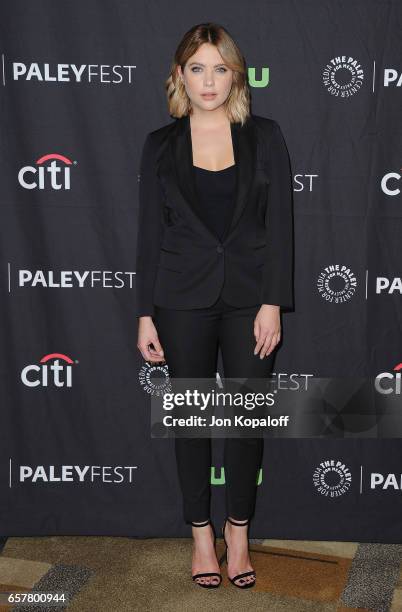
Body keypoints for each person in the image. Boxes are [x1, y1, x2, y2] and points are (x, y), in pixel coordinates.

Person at [136, 22, 294, 589]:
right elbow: (148, 233)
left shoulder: (265, 135)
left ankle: (238, 531)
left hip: (251, 300)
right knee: (193, 422)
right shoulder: (161, 143)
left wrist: (274, 301)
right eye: (197, 68)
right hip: (180, 301)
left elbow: (281, 229)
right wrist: (145, 313)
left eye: (219, 68)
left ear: (236, 74)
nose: (209, 80)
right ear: (180, 74)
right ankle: (201, 533)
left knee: (247, 421)